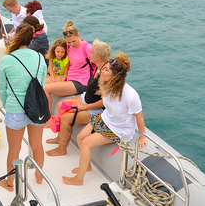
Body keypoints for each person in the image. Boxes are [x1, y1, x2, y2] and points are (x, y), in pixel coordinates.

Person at [62, 52, 147, 186]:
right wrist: (86, 107)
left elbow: (139, 116)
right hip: (106, 118)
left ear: (116, 76)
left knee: (86, 143)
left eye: (106, 70)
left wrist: (142, 136)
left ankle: (79, 179)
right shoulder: (107, 85)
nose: (102, 71)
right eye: (103, 69)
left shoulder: (131, 96)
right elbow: (104, 103)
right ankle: (87, 166)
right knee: (80, 137)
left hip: (119, 128)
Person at [0, 24, 47, 191]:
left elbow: (1, 88)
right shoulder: (40, 57)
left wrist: (8, 105)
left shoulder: (7, 59)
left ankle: (10, 183)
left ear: (15, 37)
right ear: (31, 39)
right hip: (37, 109)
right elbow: (42, 83)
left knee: (14, 150)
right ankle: (39, 177)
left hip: (15, 110)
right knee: (37, 145)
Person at [46, 40, 110, 157]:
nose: (89, 54)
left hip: (97, 110)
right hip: (87, 98)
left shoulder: (105, 74)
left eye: (92, 53)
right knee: (61, 105)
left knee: (66, 118)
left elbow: (104, 102)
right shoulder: (98, 67)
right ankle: (59, 137)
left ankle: (62, 148)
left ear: (98, 57)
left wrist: (84, 107)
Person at [43, 21, 94, 113]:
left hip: (80, 82)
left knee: (45, 88)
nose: (72, 44)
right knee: (40, 81)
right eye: (69, 42)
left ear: (78, 35)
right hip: (69, 77)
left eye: (74, 41)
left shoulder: (87, 48)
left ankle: (48, 117)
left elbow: (99, 62)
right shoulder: (68, 46)